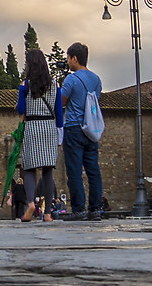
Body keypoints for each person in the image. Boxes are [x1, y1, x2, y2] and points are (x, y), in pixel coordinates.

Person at [58, 42, 105, 219]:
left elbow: (62, 101)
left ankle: (78, 209)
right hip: (91, 129)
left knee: (74, 171)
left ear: (74, 58)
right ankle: (95, 209)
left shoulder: (71, 79)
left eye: (69, 58)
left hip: (73, 127)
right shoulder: (96, 79)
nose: (68, 61)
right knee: (93, 170)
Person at [17, 48, 60, 221]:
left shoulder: (25, 85)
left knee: (29, 169)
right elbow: (58, 111)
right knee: (48, 171)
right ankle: (48, 213)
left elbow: (21, 109)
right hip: (49, 127)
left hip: (32, 127)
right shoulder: (55, 84)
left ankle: (31, 205)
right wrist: (59, 133)